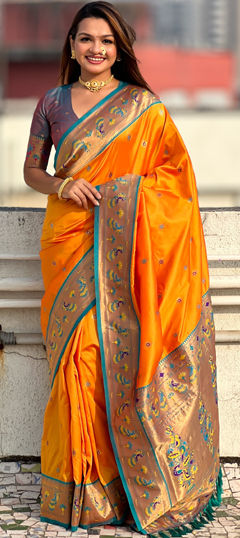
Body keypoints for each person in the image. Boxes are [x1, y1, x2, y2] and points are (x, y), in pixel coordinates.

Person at [24, 2, 221, 536]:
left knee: (114, 355)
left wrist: (122, 196)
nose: (95, 49)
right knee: (76, 363)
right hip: (67, 239)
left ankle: (128, 486)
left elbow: (176, 181)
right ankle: (83, 492)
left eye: (106, 41)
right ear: (71, 45)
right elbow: (32, 171)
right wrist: (63, 184)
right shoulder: (51, 102)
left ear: (120, 49)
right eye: (86, 39)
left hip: (125, 244)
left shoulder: (142, 107)